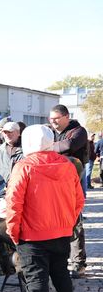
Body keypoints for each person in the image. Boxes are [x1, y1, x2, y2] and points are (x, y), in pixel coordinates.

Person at [6, 125, 84, 292]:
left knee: (36, 277)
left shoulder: (24, 166)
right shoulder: (67, 165)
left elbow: (13, 203)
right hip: (61, 231)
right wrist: (68, 221)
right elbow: (79, 199)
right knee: (60, 274)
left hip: (33, 233)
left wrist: (13, 231)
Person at [50, 104, 88, 279]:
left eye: (56, 118)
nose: (53, 122)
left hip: (73, 184)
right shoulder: (51, 132)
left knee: (74, 224)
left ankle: (78, 263)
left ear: (66, 116)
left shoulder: (79, 131)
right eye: (51, 119)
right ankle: (56, 261)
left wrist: (49, 146)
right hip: (52, 184)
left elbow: (69, 145)